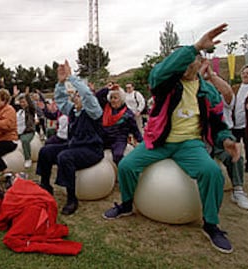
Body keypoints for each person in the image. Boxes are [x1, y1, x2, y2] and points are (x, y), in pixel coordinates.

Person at [102, 24, 239, 254]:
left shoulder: (208, 91)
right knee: (126, 165)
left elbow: (218, 125)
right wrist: (194, 46)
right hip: (159, 141)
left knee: (212, 173)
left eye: (188, 58)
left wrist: (226, 140)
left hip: (190, 144)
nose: (182, 64)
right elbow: (157, 73)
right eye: (178, 59)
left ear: (199, 63)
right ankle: (126, 204)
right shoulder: (165, 85)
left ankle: (211, 224)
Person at [36, 60, 104, 215]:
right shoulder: (72, 109)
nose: (78, 97)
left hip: (91, 149)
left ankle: (72, 199)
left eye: (80, 95)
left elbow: (87, 94)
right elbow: (59, 100)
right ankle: (45, 186)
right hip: (75, 146)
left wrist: (71, 77)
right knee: (45, 151)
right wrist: (61, 82)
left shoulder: (94, 110)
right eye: (76, 95)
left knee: (65, 157)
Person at [199, 60, 248, 210]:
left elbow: (227, 91)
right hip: (201, 137)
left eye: (212, 81)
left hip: (222, 136)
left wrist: (211, 74)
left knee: (234, 157)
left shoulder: (223, 98)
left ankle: (238, 191)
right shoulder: (197, 97)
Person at [95, 85, 142, 165]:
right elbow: (97, 96)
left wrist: (142, 142)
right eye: (111, 98)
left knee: (118, 155)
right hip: (104, 137)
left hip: (119, 139)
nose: (112, 100)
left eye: (115, 98)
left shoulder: (128, 114)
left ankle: (121, 174)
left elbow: (135, 130)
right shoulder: (106, 107)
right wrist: (107, 88)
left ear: (121, 99)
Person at [232, 65, 248, 172]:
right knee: (234, 146)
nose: (245, 75)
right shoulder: (236, 88)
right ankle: (235, 166)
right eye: (244, 73)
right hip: (235, 123)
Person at [12, 86, 36, 168]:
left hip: (28, 131)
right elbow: (11, 106)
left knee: (24, 140)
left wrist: (27, 96)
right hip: (17, 131)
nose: (23, 104)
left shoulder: (30, 110)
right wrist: (14, 96)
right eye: (21, 102)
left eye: (24, 102)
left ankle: (28, 159)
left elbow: (31, 105)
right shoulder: (18, 110)